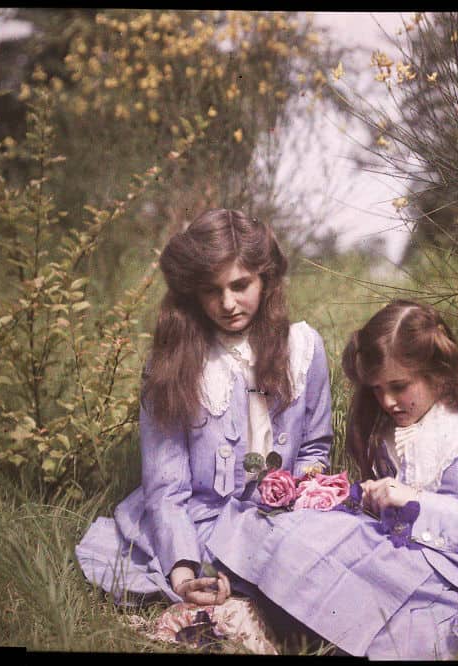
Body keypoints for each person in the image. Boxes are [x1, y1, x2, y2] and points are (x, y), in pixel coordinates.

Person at [206, 299, 458, 659]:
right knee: (301, 530)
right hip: (394, 552)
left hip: (446, 572)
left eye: (399, 386)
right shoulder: (392, 431)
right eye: (376, 389)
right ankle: (259, 601)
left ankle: (297, 625)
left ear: (438, 373)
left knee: (376, 613)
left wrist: (414, 502)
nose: (387, 401)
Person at [75, 208, 334, 614]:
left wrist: (295, 503)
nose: (227, 303)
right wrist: (182, 572)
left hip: (280, 520)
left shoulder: (303, 348)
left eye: (240, 285)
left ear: (265, 279)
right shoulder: (175, 361)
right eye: (211, 290)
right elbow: (166, 483)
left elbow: (315, 450)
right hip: (201, 520)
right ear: (192, 293)